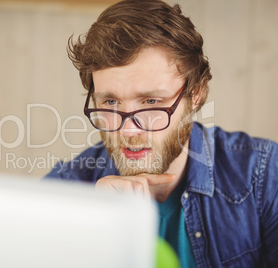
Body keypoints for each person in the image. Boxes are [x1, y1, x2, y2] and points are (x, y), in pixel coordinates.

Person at [44, 0, 278, 267]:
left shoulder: (262, 175)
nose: (128, 130)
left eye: (151, 102)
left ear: (197, 93)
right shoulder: (64, 194)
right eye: (110, 103)